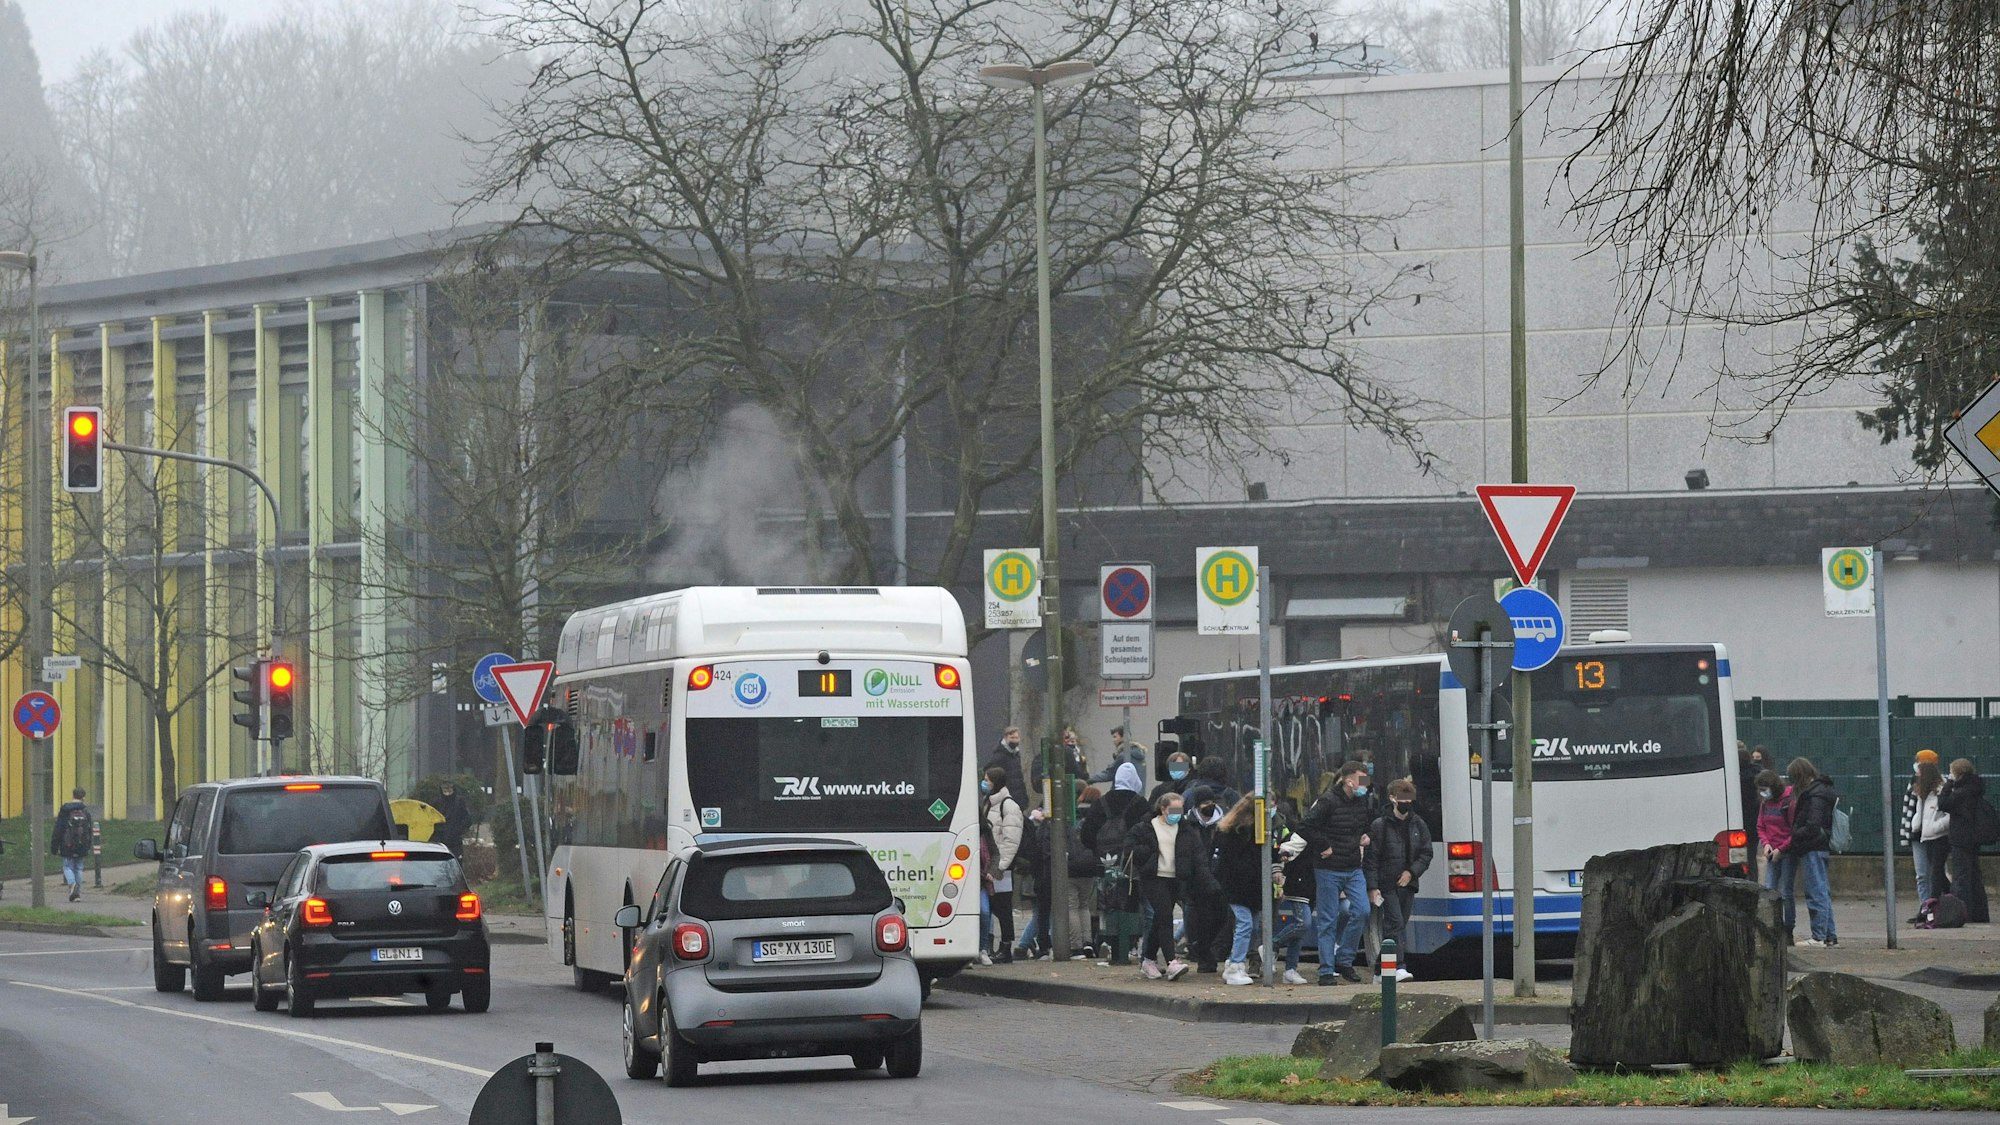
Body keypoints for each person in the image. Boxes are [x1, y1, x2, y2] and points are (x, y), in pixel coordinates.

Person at [1124, 790, 1218, 981]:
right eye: (1173, 809)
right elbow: (1130, 849)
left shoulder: (1185, 830)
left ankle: (1148, 960)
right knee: (1165, 915)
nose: (1177, 813)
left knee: (1160, 919)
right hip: (1153, 877)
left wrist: (1208, 882)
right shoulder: (1145, 827)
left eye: (1180, 809)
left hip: (1176, 879)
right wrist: (1148, 853)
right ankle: (1171, 962)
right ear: (1163, 808)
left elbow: (1198, 857)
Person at [1301, 760, 1373, 985]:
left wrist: (1366, 834)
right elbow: (1305, 826)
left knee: (1362, 911)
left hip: (1352, 866)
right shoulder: (1327, 801)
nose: (1365, 785)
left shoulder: (1362, 802)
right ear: (1348, 780)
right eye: (1362, 780)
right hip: (1328, 868)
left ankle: (1344, 959)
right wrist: (1323, 845)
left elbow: (1366, 823)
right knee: (1328, 919)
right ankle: (1326, 970)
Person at [1365, 777, 1430, 982]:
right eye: (1403, 798)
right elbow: (1372, 858)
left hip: (1408, 884)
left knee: (1399, 925)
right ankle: (1398, 966)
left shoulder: (1418, 824)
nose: (1407, 803)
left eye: (1410, 798)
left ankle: (1379, 970)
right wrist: (1373, 886)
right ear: (1392, 798)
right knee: (1395, 923)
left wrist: (1411, 872)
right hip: (1387, 884)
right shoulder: (1380, 825)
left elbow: (1426, 853)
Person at [1782, 757, 1838, 947]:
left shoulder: (1814, 795)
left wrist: (1795, 833)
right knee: (1822, 891)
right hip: (1819, 846)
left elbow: (1813, 825)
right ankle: (1829, 936)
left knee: (1816, 892)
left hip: (1812, 847)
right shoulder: (1822, 791)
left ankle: (1818, 936)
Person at [1212, 796, 1264, 986]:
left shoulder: (1245, 831)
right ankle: (1235, 964)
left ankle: (1234, 961)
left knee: (1253, 926)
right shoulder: (1236, 833)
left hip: (1250, 888)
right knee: (1245, 924)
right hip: (1238, 887)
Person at [1937, 758, 1991, 924]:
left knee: (1961, 877)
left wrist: (1948, 785)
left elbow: (1943, 803)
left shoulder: (1961, 791)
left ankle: (1961, 913)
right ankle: (1980, 913)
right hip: (1972, 838)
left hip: (1961, 838)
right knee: (1974, 875)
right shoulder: (1975, 788)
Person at [981, 766, 1024, 962]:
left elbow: (1011, 840)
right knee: (991, 907)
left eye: (987, 780)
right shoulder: (988, 803)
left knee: (1003, 908)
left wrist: (999, 867)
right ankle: (988, 946)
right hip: (989, 865)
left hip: (1000, 869)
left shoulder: (1008, 806)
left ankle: (1005, 948)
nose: (985, 783)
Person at [1754, 769, 1796, 942]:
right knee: (1770, 889)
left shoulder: (1788, 802)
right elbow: (1761, 826)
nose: (1763, 792)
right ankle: (1772, 927)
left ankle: (1788, 929)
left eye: (1765, 788)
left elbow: (1794, 830)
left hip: (1787, 851)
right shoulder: (1765, 804)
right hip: (1772, 851)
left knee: (1786, 891)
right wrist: (1767, 844)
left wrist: (1782, 848)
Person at [1908, 757, 1950, 918]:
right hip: (1926, 834)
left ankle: (1931, 906)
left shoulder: (1941, 790)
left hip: (1938, 835)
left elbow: (1948, 815)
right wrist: (1916, 825)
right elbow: (1920, 812)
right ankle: (1943, 899)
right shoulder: (1923, 792)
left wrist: (1935, 827)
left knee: (1936, 870)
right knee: (1934, 871)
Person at [52, 788, 93, 902]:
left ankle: (72, 883)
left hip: (67, 844)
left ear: (73, 795)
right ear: (83, 797)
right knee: (79, 868)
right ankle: (77, 894)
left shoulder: (65, 810)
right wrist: (88, 845)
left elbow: (59, 828)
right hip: (81, 845)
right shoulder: (85, 811)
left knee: (67, 866)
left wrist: (54, 846)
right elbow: (89, 830)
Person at [984, 726, 1030, 810]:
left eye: (1016, 737)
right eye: (1012, 737)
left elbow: (1018, 779)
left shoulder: (1016, 755)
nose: (1014, 740)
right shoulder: (999, 756)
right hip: (1005, 800)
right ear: (1005, 738)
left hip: (1018, 799)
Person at [433, 780, 471, 856]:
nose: (447, 790)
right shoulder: (436, 802)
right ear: (441, 789)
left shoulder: (460, 801)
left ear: (453, 789)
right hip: (440, 839)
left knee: (456, 861)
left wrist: (458, 830)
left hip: (455, 840)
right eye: (445, 788)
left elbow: (468, 819)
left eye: (449, 787)